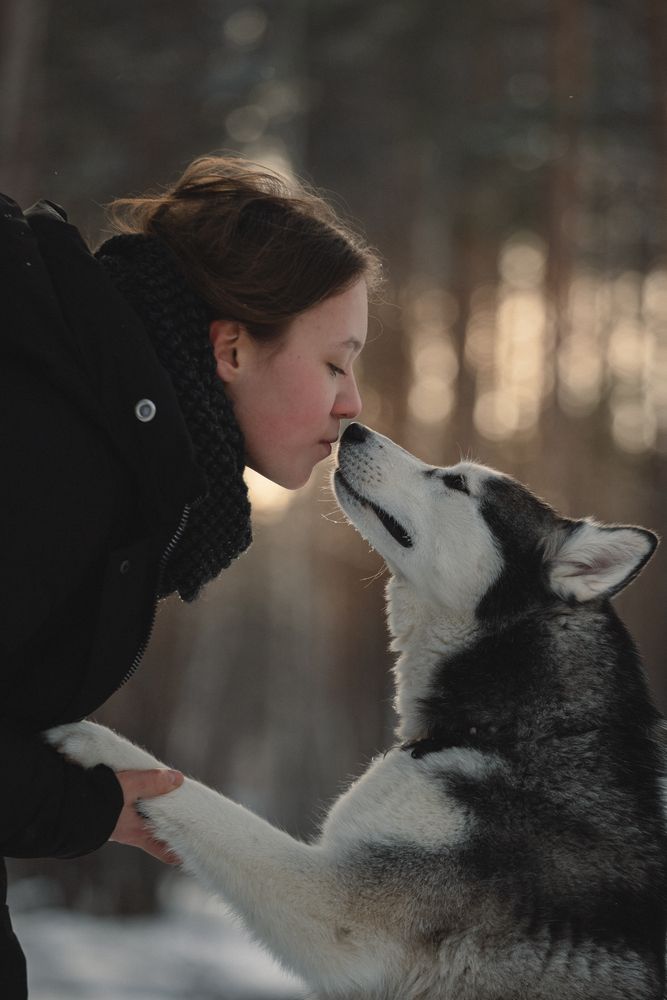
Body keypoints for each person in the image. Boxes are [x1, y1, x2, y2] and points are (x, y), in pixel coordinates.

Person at [0, 154, 381, 996]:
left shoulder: (104, 437)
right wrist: (85, 808)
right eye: (334, 362)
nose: (352, 403)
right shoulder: (56, 452)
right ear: (232, 348)